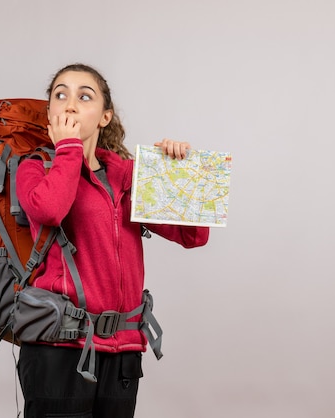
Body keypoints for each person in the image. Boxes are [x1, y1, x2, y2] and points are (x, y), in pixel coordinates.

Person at [15, 63, 209, 418]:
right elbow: (51, 211)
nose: (70, 105)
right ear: (49, 114)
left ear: (105, 117)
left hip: (122, 351)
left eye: (83, 96)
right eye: (61, 95)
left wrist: (180, 173)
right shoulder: (34, 168)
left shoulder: (125, 175)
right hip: (60, 348)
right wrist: (69, 148)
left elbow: (192, 235)